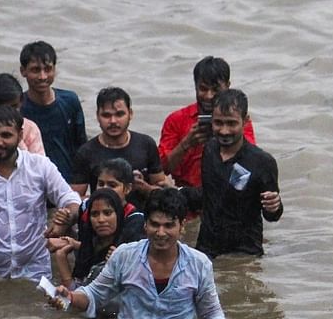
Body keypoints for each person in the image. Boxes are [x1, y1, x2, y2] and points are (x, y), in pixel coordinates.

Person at [51, 188, 245, 319]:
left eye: (169, 225)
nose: (161, 233)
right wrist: (70, 297)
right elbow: (94, 294)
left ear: (182, 226)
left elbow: (210, 313)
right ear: (145, 225)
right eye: (154, 224)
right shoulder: (125, 256)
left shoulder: (199, 264)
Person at [0, 105, 81, 281]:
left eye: (6, 135)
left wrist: (67, 217)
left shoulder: (40, 167)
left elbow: (73, 201)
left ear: (20, 135)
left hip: (35, 275)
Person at [182, 89, 282, 257]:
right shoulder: (210, 150)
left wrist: (275, 206)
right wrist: (176, 194)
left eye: (231, 123)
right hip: (206, 251)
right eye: (218, 123)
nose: (224, 131)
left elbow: (272, 216)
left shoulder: (263, 162)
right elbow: (211, 194)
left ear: (245, 121)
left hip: (243, 255)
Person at [158, 56, 257, 189]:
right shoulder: (176, 120)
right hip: (185, 196)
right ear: (195, 86)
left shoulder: (238, 121)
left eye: (216, 89)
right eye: (203, 89)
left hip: (226, 193)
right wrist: (185, 144)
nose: (209, 96)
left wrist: (224, 140)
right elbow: (160, 170)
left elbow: (250, 165)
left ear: (227, 86)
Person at [48, 157, 145, 286]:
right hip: (86, 275)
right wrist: (67, 224)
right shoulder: (86, 207)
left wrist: (74, 244)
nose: (101, 219)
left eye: (112, 185)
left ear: (127, 189)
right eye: (101, 184)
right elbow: (87, 245)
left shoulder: (134, 218)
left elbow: (122, 259)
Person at [70, 87, 166, 203]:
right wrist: (102, 194)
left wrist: (144, 187)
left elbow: (164, 193)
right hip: (104, 218)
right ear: (97, 116)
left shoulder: (146, 144)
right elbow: (74, 199)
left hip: (142, 217)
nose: (113, 121)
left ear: (130, 114)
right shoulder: (86, 152)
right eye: (106, 115)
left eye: (119, 114)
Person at [18, 41, 87, 182]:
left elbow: (82, 148)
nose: (43, 76)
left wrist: (80, 184)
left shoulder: (70, 101)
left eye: (48, 69)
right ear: (23, 71)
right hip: (32, 183)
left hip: (67, 183)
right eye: (35, 70)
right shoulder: (18, 108)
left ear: (55, 69)